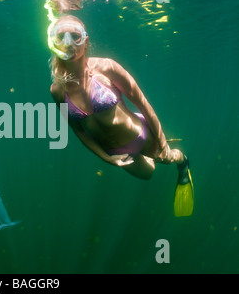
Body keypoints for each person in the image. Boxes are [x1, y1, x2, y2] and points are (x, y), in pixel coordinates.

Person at [48, 14, 193, 215]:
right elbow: (79, 131)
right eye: (61, 36)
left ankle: (183, 162)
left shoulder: (107, 67)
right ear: (52, 41)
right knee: (148, 174)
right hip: (116, 152)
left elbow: (143, 104)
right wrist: (107, 159)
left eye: (75, 36)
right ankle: (161, 146)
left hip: (139, 135)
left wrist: (162, 143)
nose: (68, 43)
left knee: (166, 159)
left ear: (86, 41)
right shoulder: (56, 90)